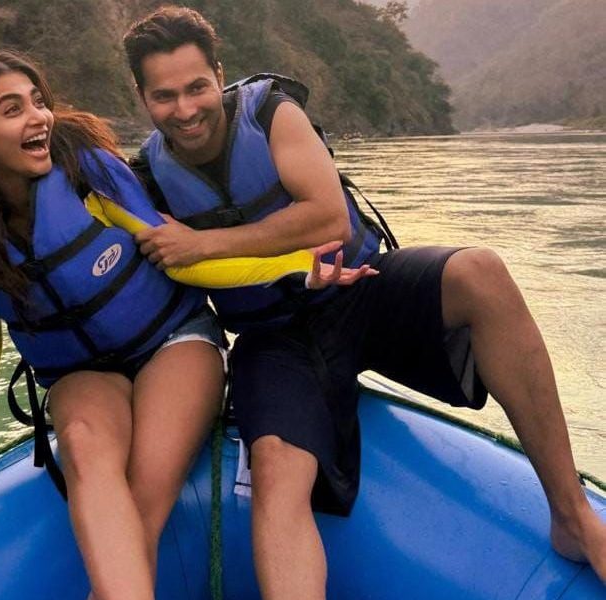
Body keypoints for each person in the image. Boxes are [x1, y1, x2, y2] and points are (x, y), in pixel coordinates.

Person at [122, 6, 606, 597]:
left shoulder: (272, 113)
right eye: (164, 96)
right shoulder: (145, 177)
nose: (186, 109)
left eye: (197, 87)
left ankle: (572, 515)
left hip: (360, 290)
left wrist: (203, 242)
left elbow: (327, 216)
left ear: (219, 75)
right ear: (141, 97)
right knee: (275, 467)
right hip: (273, 339)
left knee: (480, 271)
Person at [0, 51, 375, 600]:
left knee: (143, 497)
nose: (39, 117)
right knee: (83, 444)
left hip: (174, 343)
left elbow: (183, 260)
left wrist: (295, 267)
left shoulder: (86, 172)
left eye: (38, 101)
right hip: (81, 374)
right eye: (12, 109)